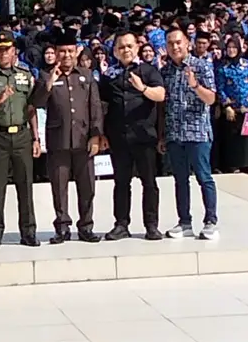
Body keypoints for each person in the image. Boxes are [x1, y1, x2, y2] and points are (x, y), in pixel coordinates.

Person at [29, 28, 103, 244]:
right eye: (62, 51)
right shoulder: (46, 75)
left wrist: (96, 135)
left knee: (87, 186)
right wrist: (49, 83)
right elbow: (36, 103)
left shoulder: (86, 76)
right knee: (59, 186)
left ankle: (86, 226)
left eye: (70, 51)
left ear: (76, 52)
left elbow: (95, 108)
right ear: (56, 53)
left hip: (83, 139)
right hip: (58, 140)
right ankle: (62, 227)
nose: (66, 55)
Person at [98, 29, 166, 241]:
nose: (125, 50)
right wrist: (101, 133)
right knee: (121, 182)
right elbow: (102, 105)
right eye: (121, 47)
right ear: (115, 51)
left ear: (137, 47)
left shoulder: (149, 70)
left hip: (144, 136)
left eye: (129, 46)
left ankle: (151, 225)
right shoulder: (109, 75)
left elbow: (161, 95)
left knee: (149, 182)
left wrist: (142, 88)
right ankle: (121, 224)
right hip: (118, 137)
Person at [0, 30, 41, 248]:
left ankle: (28, 232)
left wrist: (36, 137)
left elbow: (31, 108)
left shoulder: (25, 74)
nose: (3, 54)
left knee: (25, 185)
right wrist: (0, 99)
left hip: (22, 134)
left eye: (7, 49)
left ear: (14, 51)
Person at [159, 28, 219, 240]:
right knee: (180, 180)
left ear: (187, 43)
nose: (175, 47)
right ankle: (184, 222)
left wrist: (195, 85)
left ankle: (211, 221)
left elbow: (211, 99)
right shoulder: (165, 71)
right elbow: (163, 105)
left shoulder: (201, 66)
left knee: (204, 177)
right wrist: (162, 135)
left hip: (197, 133)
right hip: (175, 133)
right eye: (170, 43)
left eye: (178, 42)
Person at [215, 37, 248, 172]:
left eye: (234, 47)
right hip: (233, 107)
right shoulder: (223, 68)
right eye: (229, 48)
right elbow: (220, 88)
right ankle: (234, 165)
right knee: (233, 137)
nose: (231, 50)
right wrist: (226, 105)